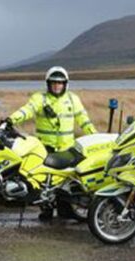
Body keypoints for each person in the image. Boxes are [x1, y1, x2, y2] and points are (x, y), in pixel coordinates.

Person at [8, 66, 97, 220]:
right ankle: (46, 209)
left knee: (65, 181)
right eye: (53, 83)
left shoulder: (72, 99)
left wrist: (95, 136)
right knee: (43, 181)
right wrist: (11, 119)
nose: (57, 86)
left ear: (65, 84)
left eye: (60, 83)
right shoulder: (40, 98)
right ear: (48, 84)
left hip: (67, 147)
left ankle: (66, 210)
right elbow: (27, 110)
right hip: (45, 146)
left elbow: (83, 120)